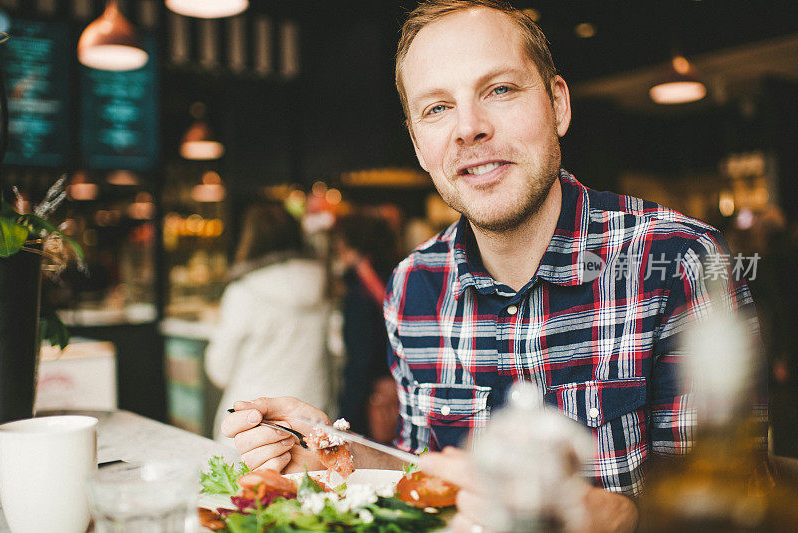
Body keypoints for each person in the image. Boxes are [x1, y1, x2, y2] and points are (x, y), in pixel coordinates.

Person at [221, 2, 762, 531]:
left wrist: (619, 517)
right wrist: (337, 460)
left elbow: (735, 509)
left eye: (499, 90)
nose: (468, 128)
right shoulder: (413, 285)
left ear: (558, 105)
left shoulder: (677, 261)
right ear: (418, 143)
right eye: (437, 108)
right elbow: (427, 483)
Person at [206, 203, 330, 442]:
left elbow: (219, 369)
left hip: (253, 422)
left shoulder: (243, 291)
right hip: (310, 417)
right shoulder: (323, 285)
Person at [333, 213, 400, 442]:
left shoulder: (360, 286)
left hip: (372, 395)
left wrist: (346, 413)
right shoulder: (397, 272)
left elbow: (361, 354)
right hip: (397, 386)